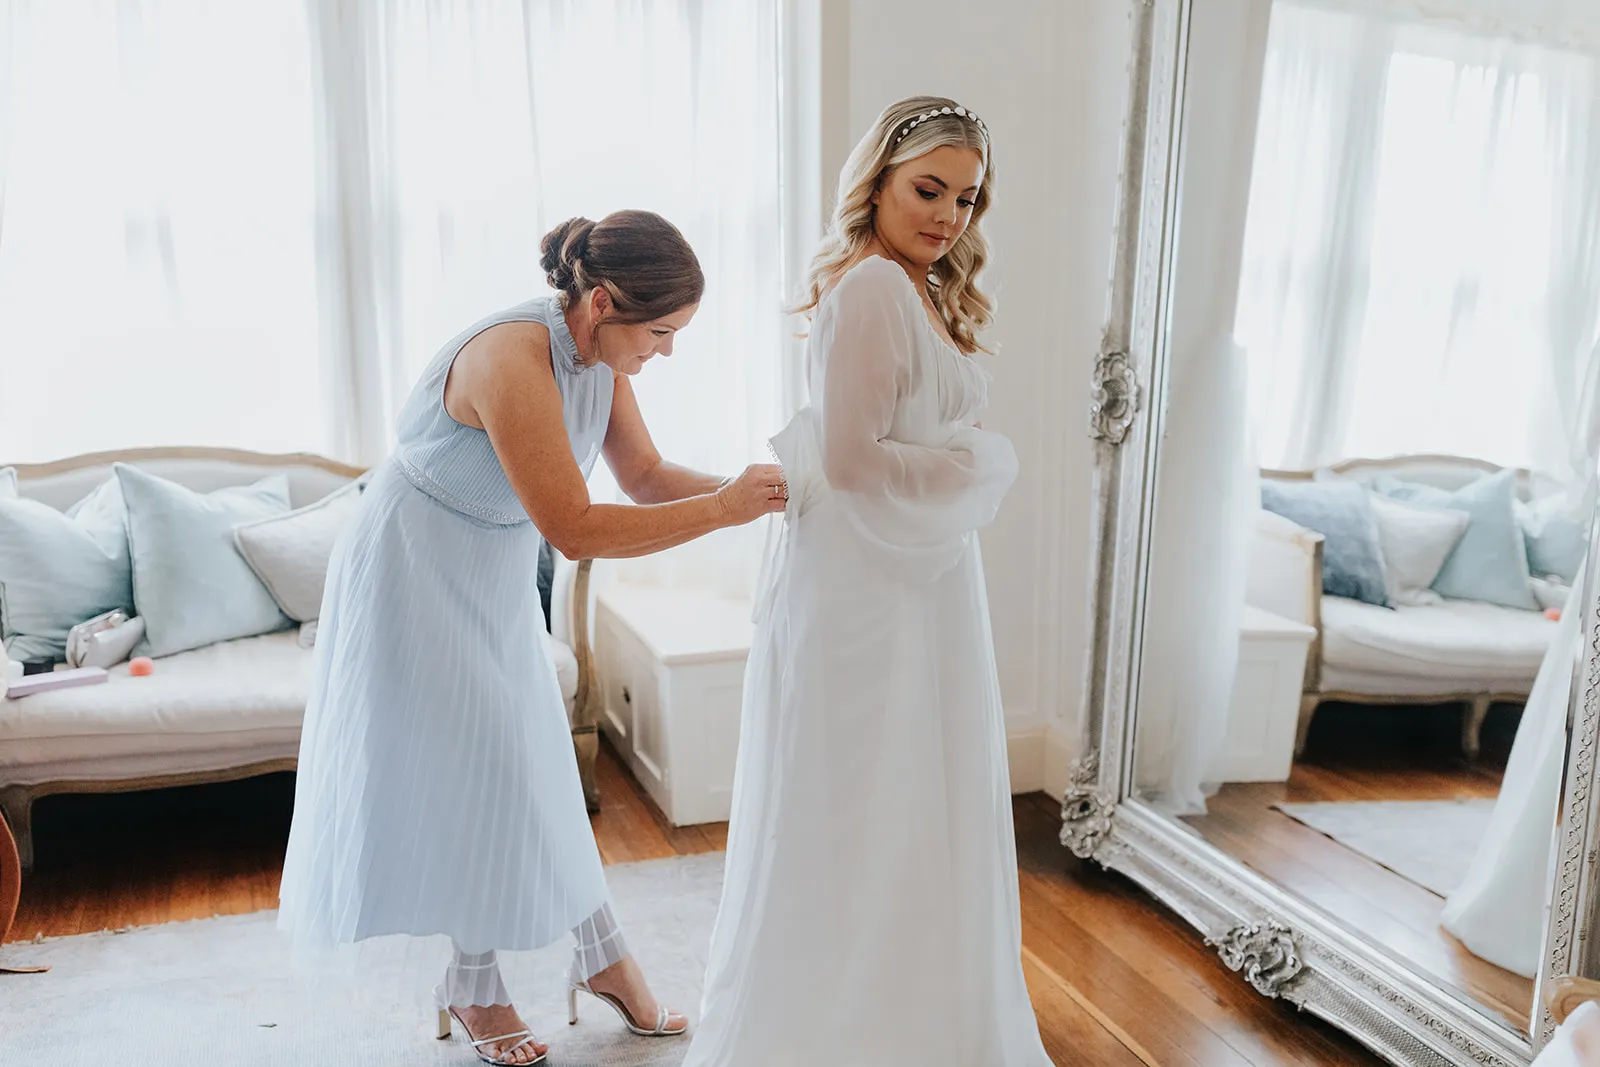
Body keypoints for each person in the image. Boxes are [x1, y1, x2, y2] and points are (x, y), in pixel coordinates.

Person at [277, 209, 786, 1065]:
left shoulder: (599, 352)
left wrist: (752, 491)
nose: (664, 351)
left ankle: (601, 957)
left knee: (531, 758)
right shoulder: (513, 356)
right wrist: (724, 511)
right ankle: (481, 985)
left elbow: (647, 475)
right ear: (600, 301)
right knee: (480, 768)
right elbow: (576, 526)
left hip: (489, 569)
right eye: (659, 331)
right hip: (413, 567)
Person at [682, 96, 1052, 1065]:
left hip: (913, 570)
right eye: (928, 189)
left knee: (903, 794)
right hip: (870, 585)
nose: (947, 216)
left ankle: (905, 1014)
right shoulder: (874, 290)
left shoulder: (913, 286)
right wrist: (980, 465)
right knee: (867, 799)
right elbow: (851, 461)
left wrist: (959, 459)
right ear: (877, 181)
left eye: (966, 199)